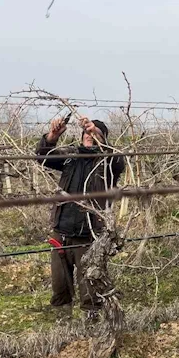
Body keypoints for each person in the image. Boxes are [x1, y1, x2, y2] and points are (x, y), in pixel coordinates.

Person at [36, 115, 125, 319]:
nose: (89, 136)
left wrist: (99, 136)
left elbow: (117, 160)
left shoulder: (108, 162)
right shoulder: (70, 157)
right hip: (61, 232)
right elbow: (43, 157)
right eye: (87, 132)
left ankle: (91, 323)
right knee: (60, 285)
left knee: (89, 286)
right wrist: (52, 137)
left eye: (94, 133)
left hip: (89, 234)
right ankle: (63, 323)